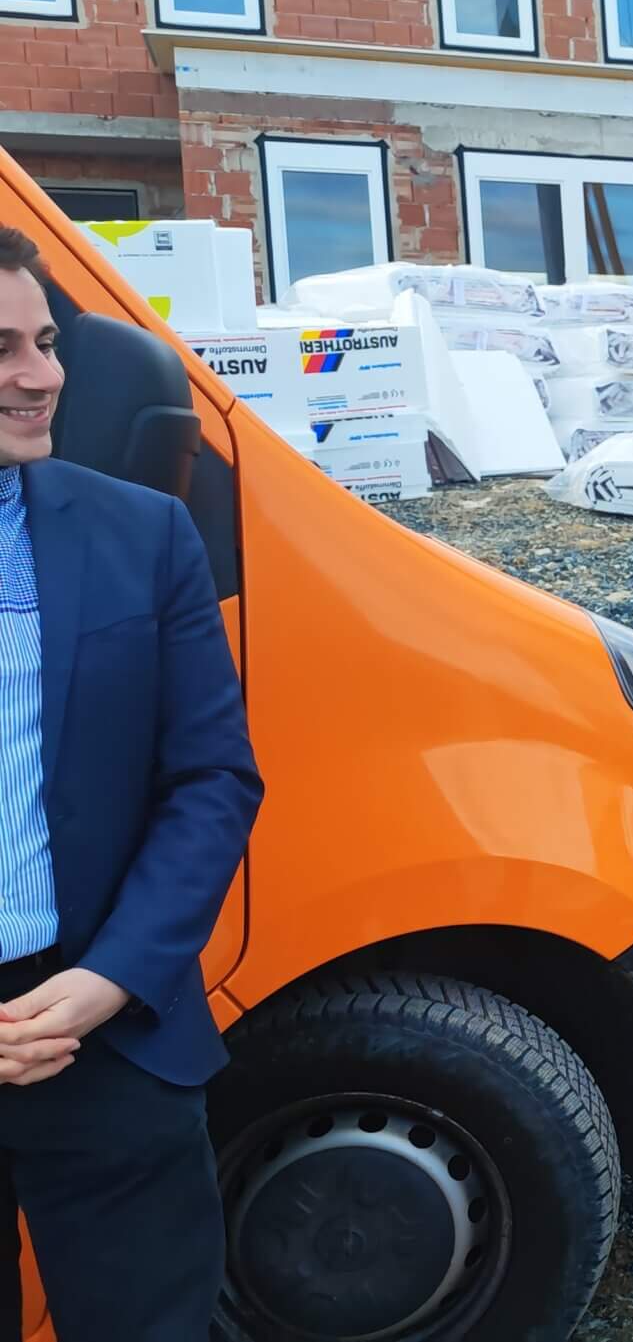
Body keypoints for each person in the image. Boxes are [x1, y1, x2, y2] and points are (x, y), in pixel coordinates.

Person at [0, 224, 263, 1340]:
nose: (43, 376)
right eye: (3, 348)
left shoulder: (143, 533)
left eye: (47, 342)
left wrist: (113, 976)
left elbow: (212, 777)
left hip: (101, 1032)